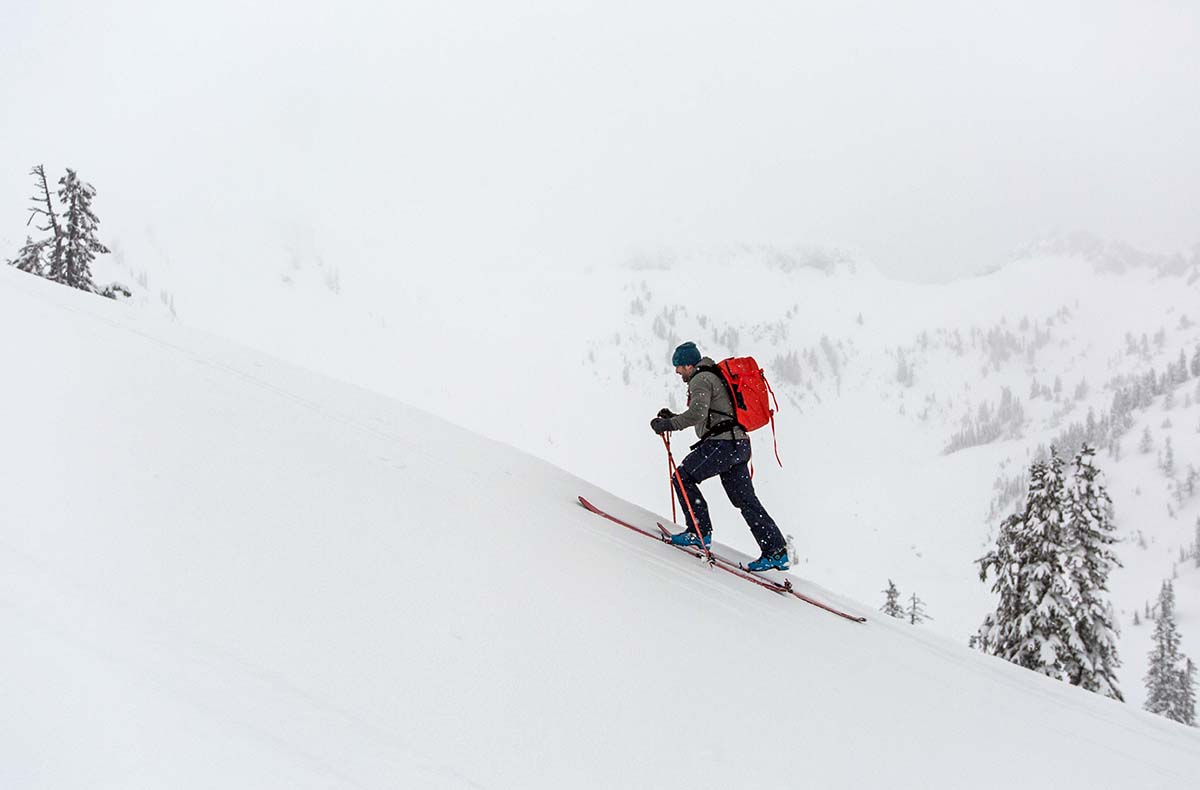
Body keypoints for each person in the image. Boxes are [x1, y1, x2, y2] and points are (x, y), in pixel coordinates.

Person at [649, 341, 791, 571]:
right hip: (739, 445)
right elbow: (709, 415)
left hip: (722, 445)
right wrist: (673, 417)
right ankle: (776, 550)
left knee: (683, 477)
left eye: (679, 366)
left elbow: (697, 413)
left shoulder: (700, 379)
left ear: (688, 364)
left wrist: (669, 424)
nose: (677, 371)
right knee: (746, 500)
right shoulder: (714, 376)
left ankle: (698, 532)